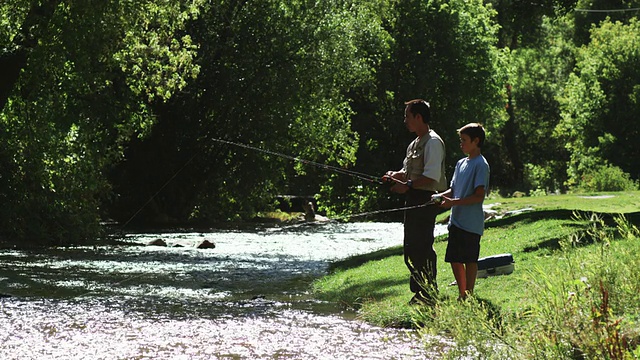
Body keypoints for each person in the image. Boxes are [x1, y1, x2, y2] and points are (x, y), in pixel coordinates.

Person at [382, 99, 447, 305]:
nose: (405, 120)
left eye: (407, 116)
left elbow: (432, 177)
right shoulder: (414, 143)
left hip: (426, 199)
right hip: (413, 198)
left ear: (419, 117)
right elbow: (407, 172)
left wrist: (407, 185)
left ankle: (429, 293)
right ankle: (420, 291)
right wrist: (394, 176)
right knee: (411, 246)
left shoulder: (433, 142)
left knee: (422, 246)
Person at [434, 123, 489, 300]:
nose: (461, 144)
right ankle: (462, 292)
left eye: (464, 140)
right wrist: (438, 197)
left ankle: (469, 294)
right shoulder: (460, 163)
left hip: (471, 223)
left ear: (476, 141)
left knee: (470, 260)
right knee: (454, 259)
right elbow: (453, 189)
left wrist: (453, 202)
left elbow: (479, 196)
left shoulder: (481, 164)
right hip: (456, 221)